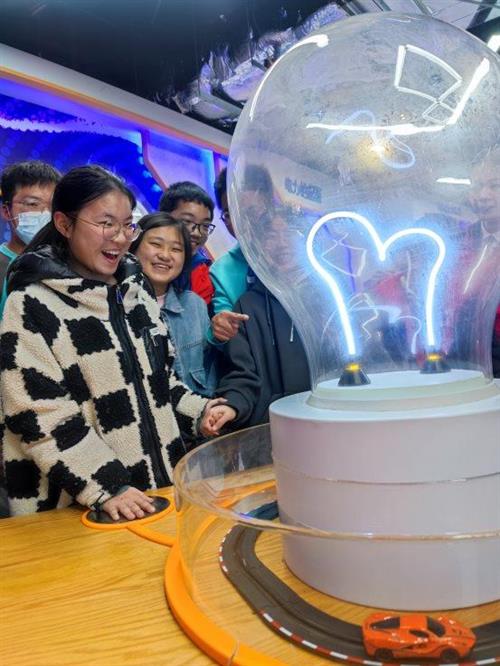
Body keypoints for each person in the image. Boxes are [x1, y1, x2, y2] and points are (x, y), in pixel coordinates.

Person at [0, 165, 235, 519]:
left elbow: (161, 383)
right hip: (78, 507)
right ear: (64, 224)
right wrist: (108, 486)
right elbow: (40, 415)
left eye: (127, 225)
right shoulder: (31, 303)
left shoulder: (136, 294)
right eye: (106, 223)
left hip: (153, 493)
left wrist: (201, 412)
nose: (121, 237)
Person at [214, 212, 310, 429]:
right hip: (272, 428)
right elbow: (241, 374)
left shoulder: (326, 298)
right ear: (258, 247)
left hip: (326, 420)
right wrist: (231, 406)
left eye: (290, 233)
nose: (282, 243)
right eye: (271, 236)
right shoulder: (246, 307)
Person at [130, 212, 217, 396]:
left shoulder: (195, 305)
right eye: (156, 244)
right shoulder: (116, 305)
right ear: (134, 247)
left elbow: (210, 369)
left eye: (176, 249)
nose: (165, 255)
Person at [210, 165, 273, 342]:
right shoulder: (221, 270)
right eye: (230, 214)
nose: (242, 222)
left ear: (270, 207)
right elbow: (227, 330)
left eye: (250, 211)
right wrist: (219, 330)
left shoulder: (295, 254)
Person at [0, 160, 61, 319]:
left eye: (53, 205)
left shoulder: (69, 264)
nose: (45, 213)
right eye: (32, 204)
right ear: (6, 211)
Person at [158, 181, 216, 305]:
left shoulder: (201, 275)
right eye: (186, 221)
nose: (197, 233)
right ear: (162, 217)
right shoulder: (139, 255)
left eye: (205, 226)